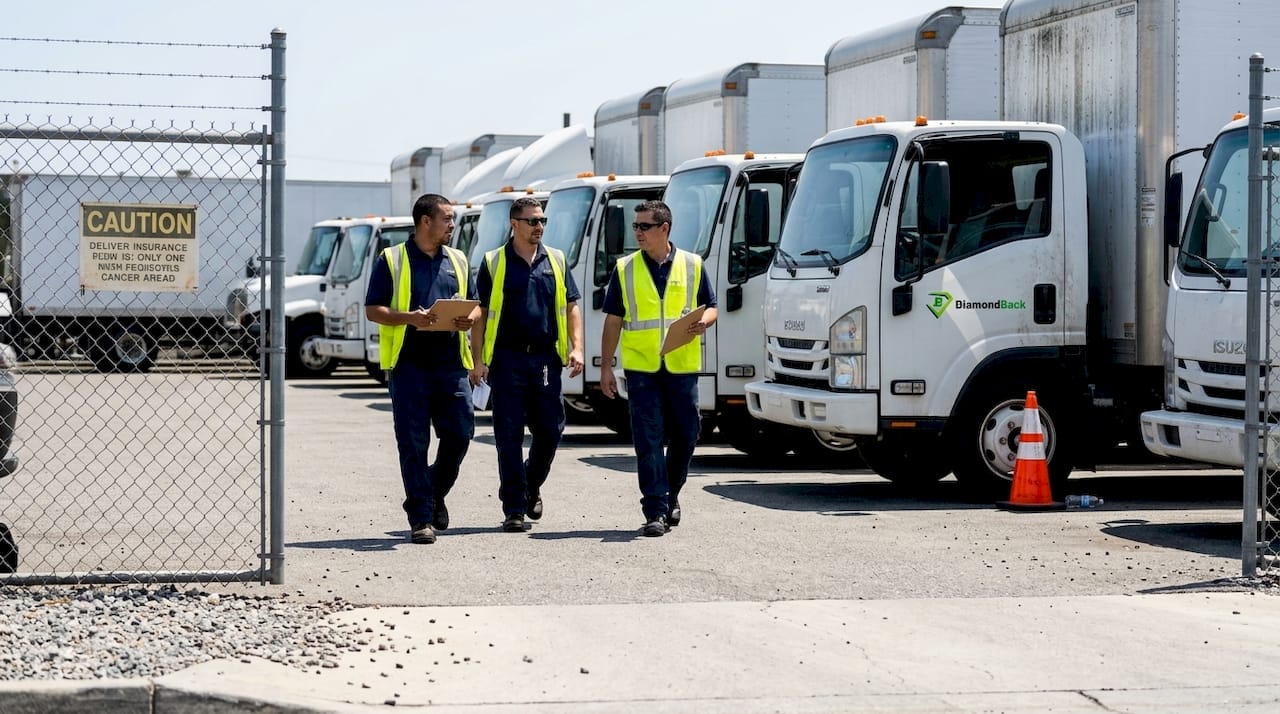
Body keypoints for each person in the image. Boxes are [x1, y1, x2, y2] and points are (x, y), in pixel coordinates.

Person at [366, 193, 478, 545]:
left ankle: (429, 493)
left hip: (451, 366)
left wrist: (467, 319)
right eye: (446, 218)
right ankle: (421, 519)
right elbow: (373, 309)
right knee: (414, 444)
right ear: (425, 221)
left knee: (461, 434)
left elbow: (476, 308)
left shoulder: (458, 260)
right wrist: (409, 319)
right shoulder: (392, 259)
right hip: (410, 367)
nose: (452, 225)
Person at [599, 200, 717, 537]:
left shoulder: (693, 265)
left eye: (644, 227)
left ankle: (671, 493)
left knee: (687, 434)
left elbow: (711, 307)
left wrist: (703, 322)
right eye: (635, 226)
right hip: (642, 371)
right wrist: (606, 367)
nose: (637, 232)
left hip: (682, 367)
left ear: (664, 228)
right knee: (648, 440)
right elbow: (613, 321)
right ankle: (655, 509)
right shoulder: (625, 269)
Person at [471, 196, 584, 533]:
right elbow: (479, 316)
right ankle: (515, 507)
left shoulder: (558, 260)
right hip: (507, 359)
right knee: (508, 436)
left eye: (542, 221)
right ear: (514, 224)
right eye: (533, 221)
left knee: (550, 431)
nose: (539, 227)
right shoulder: (493, 263)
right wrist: (477, 361)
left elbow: (571, 305)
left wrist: (577, 348)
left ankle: (529, 485)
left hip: (546, 358)